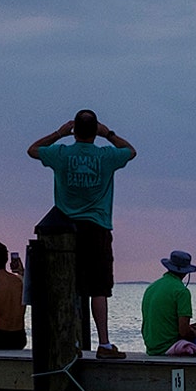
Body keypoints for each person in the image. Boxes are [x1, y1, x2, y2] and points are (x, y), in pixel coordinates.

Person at [29, 109, 137, 359]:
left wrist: (58, 133)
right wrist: (108, 133)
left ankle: (71, 342)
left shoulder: (62, 154)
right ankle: (105, 344)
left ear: (74, 130)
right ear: (95, 131)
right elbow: (131, 151)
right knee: (99, 288)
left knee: (70, 286)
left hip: (65, 228)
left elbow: (33, 149)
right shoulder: (106, 156)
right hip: (97, 226)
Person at [141, 250, 196, 356]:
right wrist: (195, 333)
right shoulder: (181, 291)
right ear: (186, 272)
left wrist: (189, 328)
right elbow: (184, 332)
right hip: (169, 346)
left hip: (152, 348)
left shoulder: (151, 287)